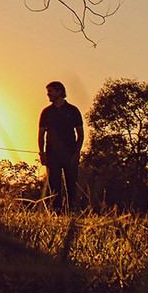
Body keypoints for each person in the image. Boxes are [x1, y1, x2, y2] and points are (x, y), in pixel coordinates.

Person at [38, 81, 84, 213]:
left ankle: (73, 214)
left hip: (70, 154)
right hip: (52, 155)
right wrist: (42, 153)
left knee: (72, 186)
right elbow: (41, 134)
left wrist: (77, 153)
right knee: (55, 187)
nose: (48, 95)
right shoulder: (46, 112)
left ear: (59, 91)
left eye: (50, 91)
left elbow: (80, 134)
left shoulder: (73, 110)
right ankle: (57, 214)